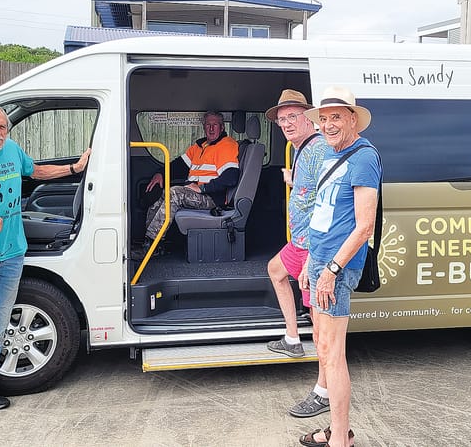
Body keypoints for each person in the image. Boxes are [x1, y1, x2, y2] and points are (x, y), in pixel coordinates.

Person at [0, 104, 91, 416]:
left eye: (2, 127)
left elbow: (35, 171)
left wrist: (75, 169)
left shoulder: (11, 149)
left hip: (12, 252)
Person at [298, 87, 380, 447]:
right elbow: (324, 213)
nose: (328, 125)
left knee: (333, 354)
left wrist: (330, 270)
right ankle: (337, 430)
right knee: (322, 343)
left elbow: (364, 226)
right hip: (320, 261)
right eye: (324, 118)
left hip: (337, 267)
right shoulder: (337, 153)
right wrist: (310, 263)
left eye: (336, 117)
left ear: (352, 119)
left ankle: (339, 439)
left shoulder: (363, 158)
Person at [263, 90, 333, 418]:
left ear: (309, 118)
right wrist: (295, 182)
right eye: (282, 120)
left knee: (321, 325)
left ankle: (324, 390)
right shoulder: (301, 148)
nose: (287, 124)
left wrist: (312, 258)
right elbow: (311, 189)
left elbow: (328, 200)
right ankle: (292, 338)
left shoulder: (318, 148)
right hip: (301, 243)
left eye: (293, 117)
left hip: (313, 247)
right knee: (275, 270)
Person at [142, 110, 239, 247]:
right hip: (194, 192)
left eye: (215, 125)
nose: (211, 128)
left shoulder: (227, 145)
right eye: (208, 125)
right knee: (161, 193)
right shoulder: (199, 147)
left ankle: (152, 245)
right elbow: (178, 166)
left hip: (211, 197)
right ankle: (148, 241)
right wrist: (161, 174)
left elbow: (231, 177)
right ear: (204, 127)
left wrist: (202, 188)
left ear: (222, 127)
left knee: (174, 193)